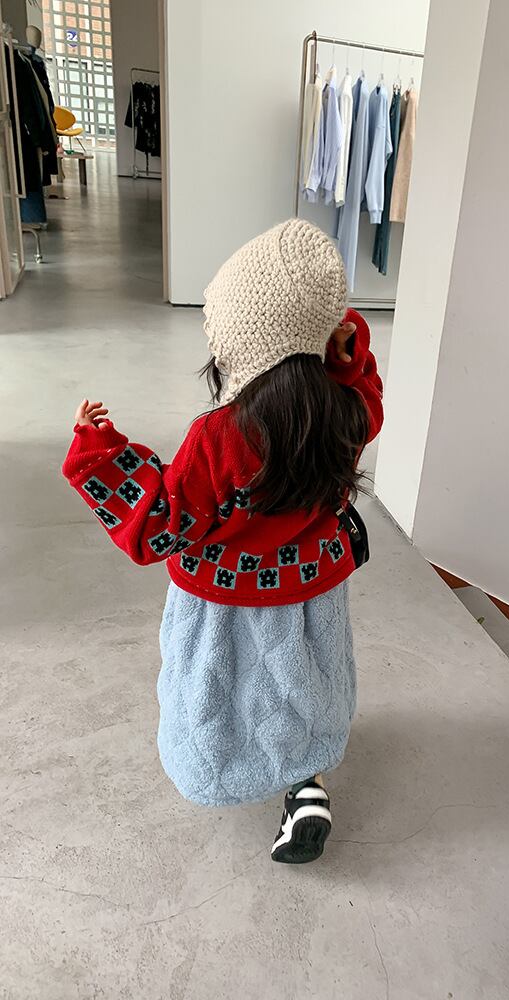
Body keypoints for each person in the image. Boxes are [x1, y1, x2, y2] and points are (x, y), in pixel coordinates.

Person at [62, 219, 383, 864]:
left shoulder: (219, 437)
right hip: (310, 590)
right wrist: (343, 349)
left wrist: (100, 452)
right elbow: (367, 392)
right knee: (300, 681)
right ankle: (306, 783)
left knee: (224, 689)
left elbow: (159, 525)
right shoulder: (342, 412)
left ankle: (228, 765)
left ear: (243, 343)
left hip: (223, 602)